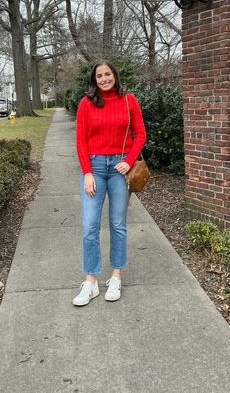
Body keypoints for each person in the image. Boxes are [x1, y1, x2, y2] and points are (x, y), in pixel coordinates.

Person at [73, 61, 146, 306]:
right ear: (95, 80)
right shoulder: (86, 103)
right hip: (94, 167)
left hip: (118, 169)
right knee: (90, 226)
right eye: (99, 76)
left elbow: (140, 134)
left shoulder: (129, 101)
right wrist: (87, 173)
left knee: (118, 224)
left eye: (108, 74)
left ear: (115, 75)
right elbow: (81, 140)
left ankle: (115, 276)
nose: (104, 79)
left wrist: (128, 160)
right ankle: (91, 281)